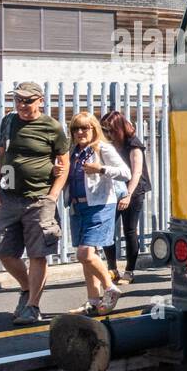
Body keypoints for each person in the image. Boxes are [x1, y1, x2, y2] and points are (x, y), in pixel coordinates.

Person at [0, 81, 69, 325]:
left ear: (40, 101)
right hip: (10, 198)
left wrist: (53, 196)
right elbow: (1, 155)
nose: (22, 105)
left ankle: (32, 306)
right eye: (19, 100)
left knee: (38, 254)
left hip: (39, 199)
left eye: (28, 100)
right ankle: (27, 289)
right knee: (2, 251)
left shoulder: (52, 127)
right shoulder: (9, 122)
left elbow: (64, 164)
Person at [65, 112, 131, 316]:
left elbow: (125, 173)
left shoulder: (103, 148)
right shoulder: (73, 151)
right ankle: (93, 301)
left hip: (100, 205)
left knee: (84, 253)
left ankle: (110, 287)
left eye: (85, 127)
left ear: (94, 129)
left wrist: (100, 169)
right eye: (76, 128)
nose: (80, 132)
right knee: (88, 257)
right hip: (78, 207)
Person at [99, 110, 152, 284]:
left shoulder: (133, 144)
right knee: (107, 229)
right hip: (112, 190)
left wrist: (128, 195)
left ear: (119, 128)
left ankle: (129, 271)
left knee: (130, 230)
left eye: (110, 130)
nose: (107, 134)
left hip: (133, 190)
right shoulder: (107, 144)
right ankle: (112, 268)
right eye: (104, 130)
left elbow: (136, 173)